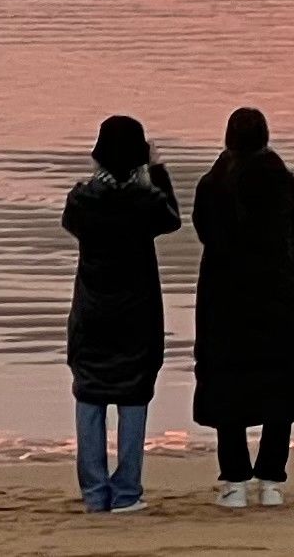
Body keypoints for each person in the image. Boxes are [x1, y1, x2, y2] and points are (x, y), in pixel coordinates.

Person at [192, 104, 294, 508]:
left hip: (225, 295)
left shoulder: (212, 184)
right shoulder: (282, 182)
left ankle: (234, 481)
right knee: (279, 382)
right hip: (279, 293)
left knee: (228, 383)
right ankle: (271, 479)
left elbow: (204, 232)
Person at [61, 114, 179, 513]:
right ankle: (127, 491)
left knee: (89, 394)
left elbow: (70, 222)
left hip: (92, 312)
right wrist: (158, 171)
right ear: (140, 156)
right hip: (137, 313)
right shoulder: (147, 203)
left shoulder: (81, 200)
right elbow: (172, 220)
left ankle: (95, 494)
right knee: (134, 395)